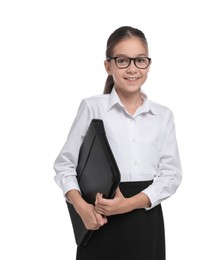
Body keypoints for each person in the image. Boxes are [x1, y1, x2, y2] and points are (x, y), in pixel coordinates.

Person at [53, 25, 182, 260]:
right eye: (123, 60)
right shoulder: (92, 108)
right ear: (108, 65)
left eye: (140, 60)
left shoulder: (163, 116)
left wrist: (128, 204)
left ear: (148, 65)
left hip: (145, 217)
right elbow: (64, 165)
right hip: (98, 218)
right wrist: (81, 208)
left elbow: (171, 175)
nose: (132, 68)